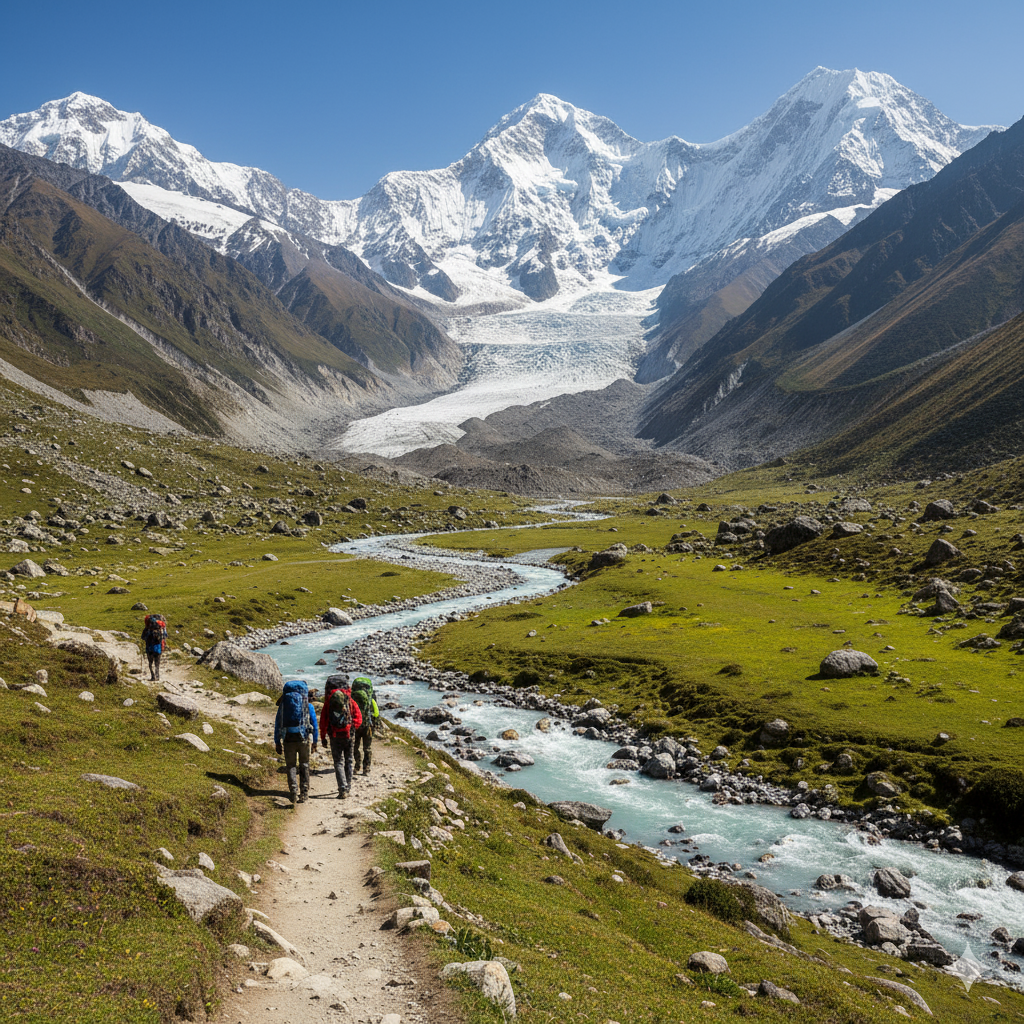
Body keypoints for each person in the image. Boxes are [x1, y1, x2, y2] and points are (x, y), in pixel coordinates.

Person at [274, 679, 319, 804]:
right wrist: (315, 741)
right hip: (303, 737)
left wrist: (277, 741)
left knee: (291, 765)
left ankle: (293, 790)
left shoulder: (283, 706)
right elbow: (314, 725)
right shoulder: (308, 706)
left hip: (288, 738)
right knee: (304, 764)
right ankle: (304, 793)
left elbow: (277, 724)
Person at [319, 674, 362, 798]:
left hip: (334, 735)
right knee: (349, 760)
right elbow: (358, 718)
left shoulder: (329, 702)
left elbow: (323, 721)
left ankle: (342, 789)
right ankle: (348, 786)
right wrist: (352, 727)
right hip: (349, 735)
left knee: (338, 762)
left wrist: (323, 737)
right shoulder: (350, 701)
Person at [350, 676, 379, 777]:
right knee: (367, 748)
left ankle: (357, 765)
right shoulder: (371, 699)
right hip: (367, 726)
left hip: (356, 725)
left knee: (355, 747)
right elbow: (376, 713)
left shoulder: (352, 698)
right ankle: (366, 768)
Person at [141, 614, 167, 681]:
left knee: (150, 663)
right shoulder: (161, 628)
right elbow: (165, 635)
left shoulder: (147, 628)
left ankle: (153, 676)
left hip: (149, 647)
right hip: (158, 648)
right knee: (157, 663)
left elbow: (143, 637)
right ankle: (157, 676)